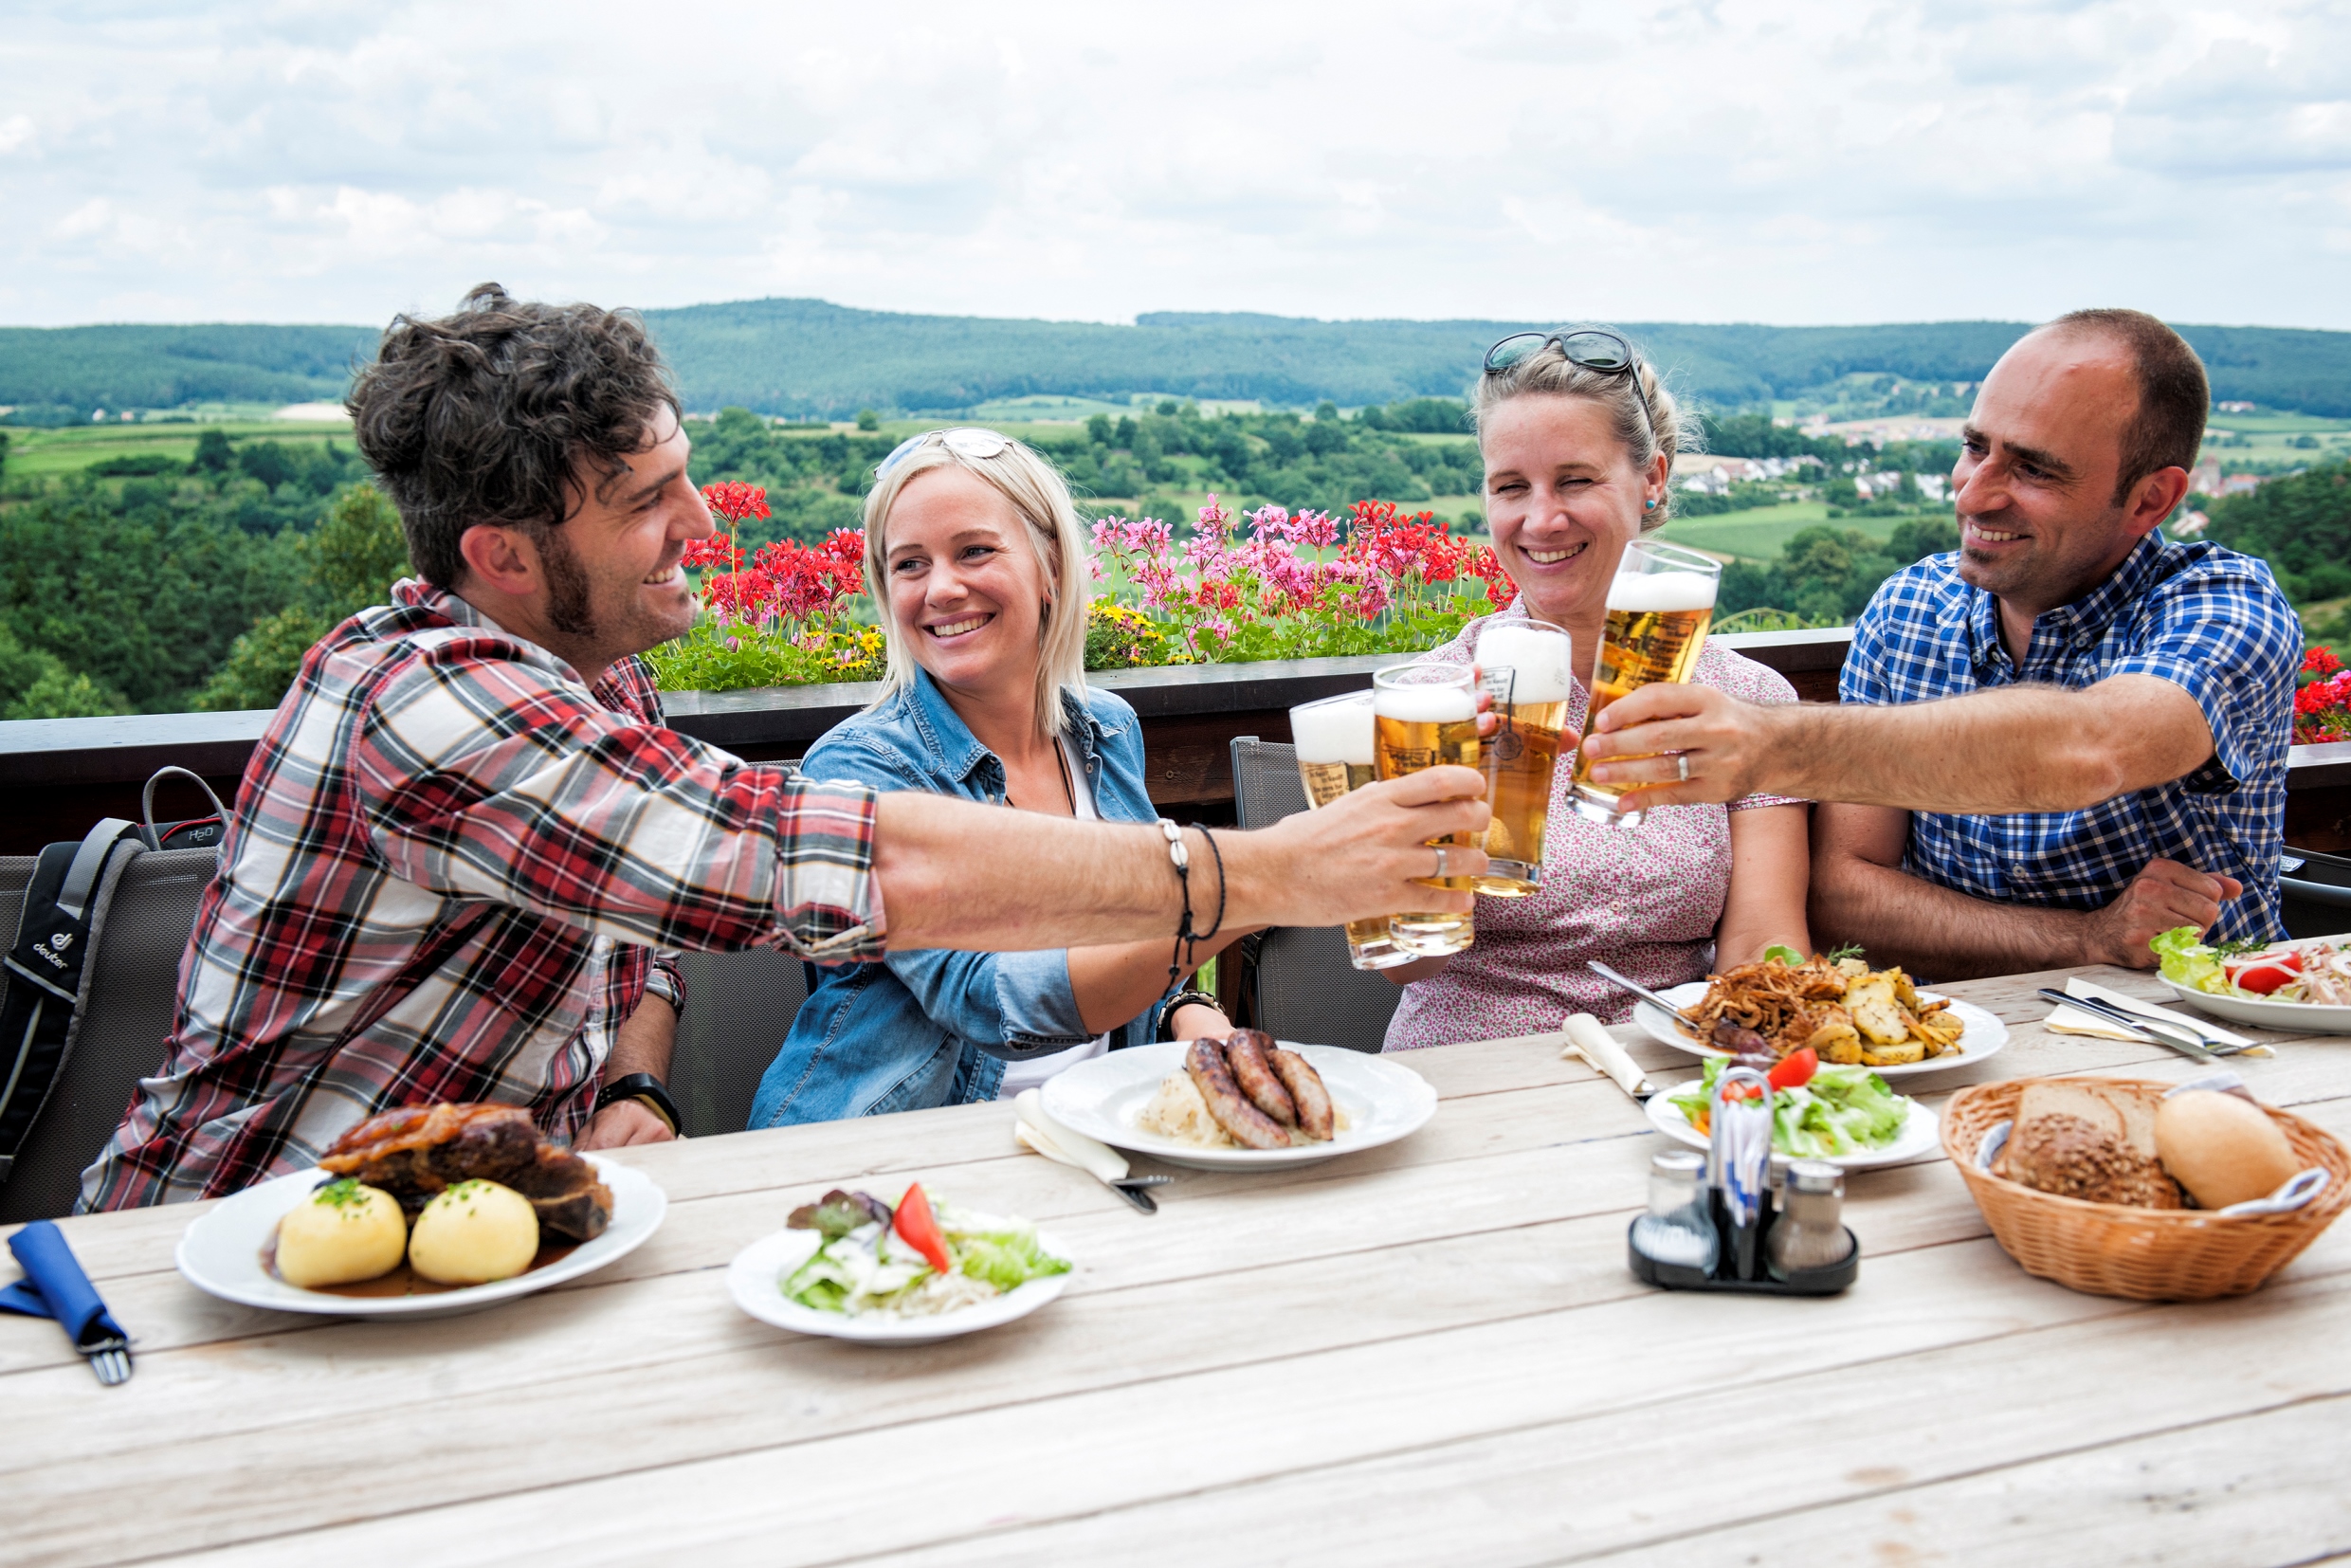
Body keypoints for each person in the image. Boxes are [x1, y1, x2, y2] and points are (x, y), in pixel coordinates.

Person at [79, 285, 1492, 1210]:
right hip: (221, 1257)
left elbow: (633, 934)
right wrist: (1259, 873)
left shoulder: (597, 683)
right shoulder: (425, 703)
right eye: (649, 501)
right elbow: (800, 861)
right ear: (502, 555)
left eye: (687, 472)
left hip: (477, 1234)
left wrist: (632, 1082)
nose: (706, 527)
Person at [1578, 309, 2300, 978]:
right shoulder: (1912, 608)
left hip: (2204, 1035)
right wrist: (2085, 940)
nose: (1972, 494)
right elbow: (1844, 897)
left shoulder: (2225, 608)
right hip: (1958, 1045)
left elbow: (2092, 748)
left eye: (2034, 469)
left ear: (2151, 500)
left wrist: (1771, 744)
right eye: (1974, 447)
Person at [751, 431, 1241, 1124]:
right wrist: (1244, 889)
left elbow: (1133, 949)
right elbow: (984, 998)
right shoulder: (860, 771)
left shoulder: (1105, 730)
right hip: (894, 1158)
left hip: (1090, 1135)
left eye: (974, 551)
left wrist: (1185, 1011)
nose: (943, 589)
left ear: (1051, 569)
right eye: (910, 564)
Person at [1380, 327, 1813, 1051]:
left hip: (1672, 1062)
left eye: (1576, 480)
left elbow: (1764, 948)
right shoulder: (1435, 697)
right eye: (1511, 487)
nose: (1542, 519)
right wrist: (1461, 819)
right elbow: (1406, 962)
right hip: (1472, 1069)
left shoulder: (1745, 701)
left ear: (1652, 480)